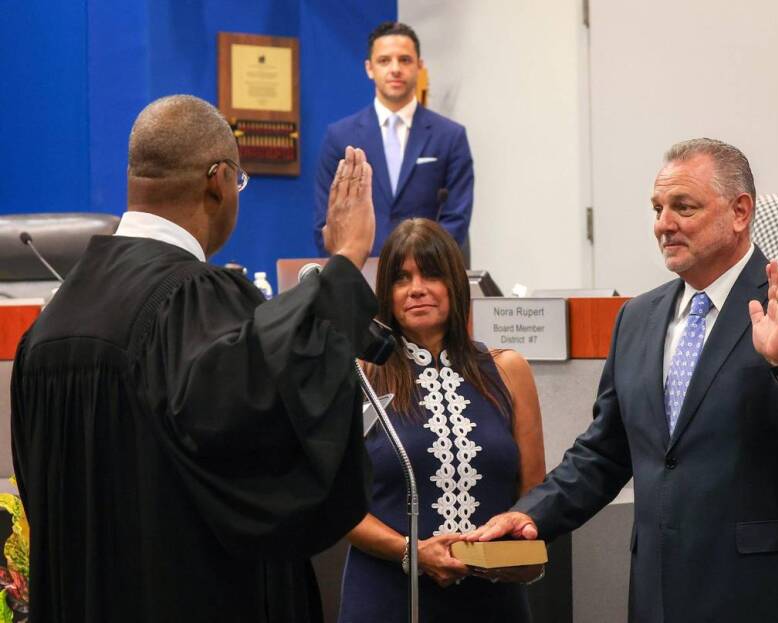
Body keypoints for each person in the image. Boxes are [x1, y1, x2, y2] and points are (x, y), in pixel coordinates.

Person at [468, 139, 778, 622]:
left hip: (774, 598)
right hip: (661, 597)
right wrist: (533, 514)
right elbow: (605, 451)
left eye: (683, 207)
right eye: (658, 208)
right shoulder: (637, 319)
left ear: (740, 212)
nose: (664, 224)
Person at [11, 95, 379, 623]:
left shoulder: (47, 326)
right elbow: (266, 424)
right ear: (218, 180)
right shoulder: (192, 300)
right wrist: (344, 262)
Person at [336, 219, 545, 622]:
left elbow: (534, 492)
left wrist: (524, 551)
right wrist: (411, 552)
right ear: (386, 294)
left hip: (493, 597)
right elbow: (336, 504)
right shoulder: (357, 374)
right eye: (401, 278)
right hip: (388, 595)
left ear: (455, 284)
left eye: (430, 274)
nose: (416, 288)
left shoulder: (509, 370)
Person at [314, 21, 474, 259]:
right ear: (369, 68)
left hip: (427, 273)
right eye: (384, 60)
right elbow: (326, 222)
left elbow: (457, 218)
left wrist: (417, 264)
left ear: (420, 66)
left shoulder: (451, 136)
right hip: (360, 275)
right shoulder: (340, 137)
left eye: (405, 60)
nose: (395, 68)